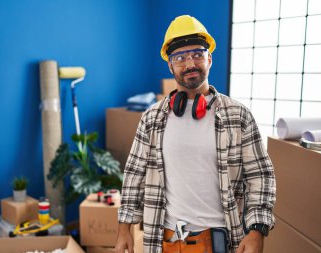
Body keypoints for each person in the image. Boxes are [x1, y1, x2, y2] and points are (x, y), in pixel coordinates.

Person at [115, 15, 276, 253]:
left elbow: (260, 175)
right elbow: (133, 175)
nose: (190, 63)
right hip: (165, 241)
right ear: (170, 66)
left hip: (220, 241)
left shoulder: (238, 115)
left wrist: (257, 231)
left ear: (209, 59)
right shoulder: (152, 118)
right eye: (180, 58)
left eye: (197, 54)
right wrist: (124, 230)